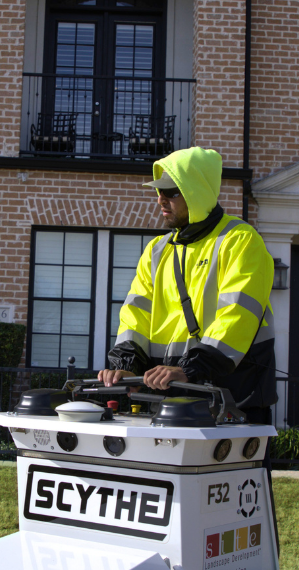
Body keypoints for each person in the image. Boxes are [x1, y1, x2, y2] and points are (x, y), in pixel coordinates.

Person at [97, 146, 277, 423]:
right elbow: (136, 314)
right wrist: (126, 366)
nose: (160, 200)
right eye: (158, 191)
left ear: (197, 193)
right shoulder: (157, 250)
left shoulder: (240, 240)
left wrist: (191, 370)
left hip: (234, 396)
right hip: (170, 394)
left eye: (171, 192)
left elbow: (238, 315)